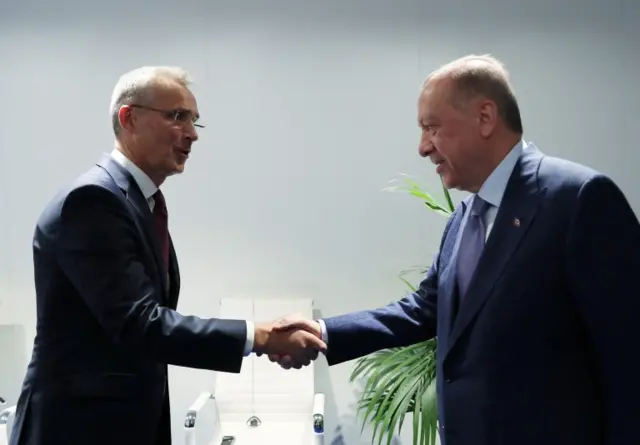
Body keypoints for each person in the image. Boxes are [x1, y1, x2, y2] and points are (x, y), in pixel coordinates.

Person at [271, 54, 640, 445]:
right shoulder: (464, 217)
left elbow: (628, 358)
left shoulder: (578, 199)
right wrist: (324, 332)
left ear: (485, 117)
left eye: (432, 128)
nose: (422, 147)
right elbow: (424, 311)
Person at [9, 66, 326, 445]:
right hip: (78, 429)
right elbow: (140, 323)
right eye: (177, 116)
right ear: (130, 118)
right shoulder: (91, 201)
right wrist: (259, 336)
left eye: (194, 121)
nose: (191, 133)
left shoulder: (140, 203)